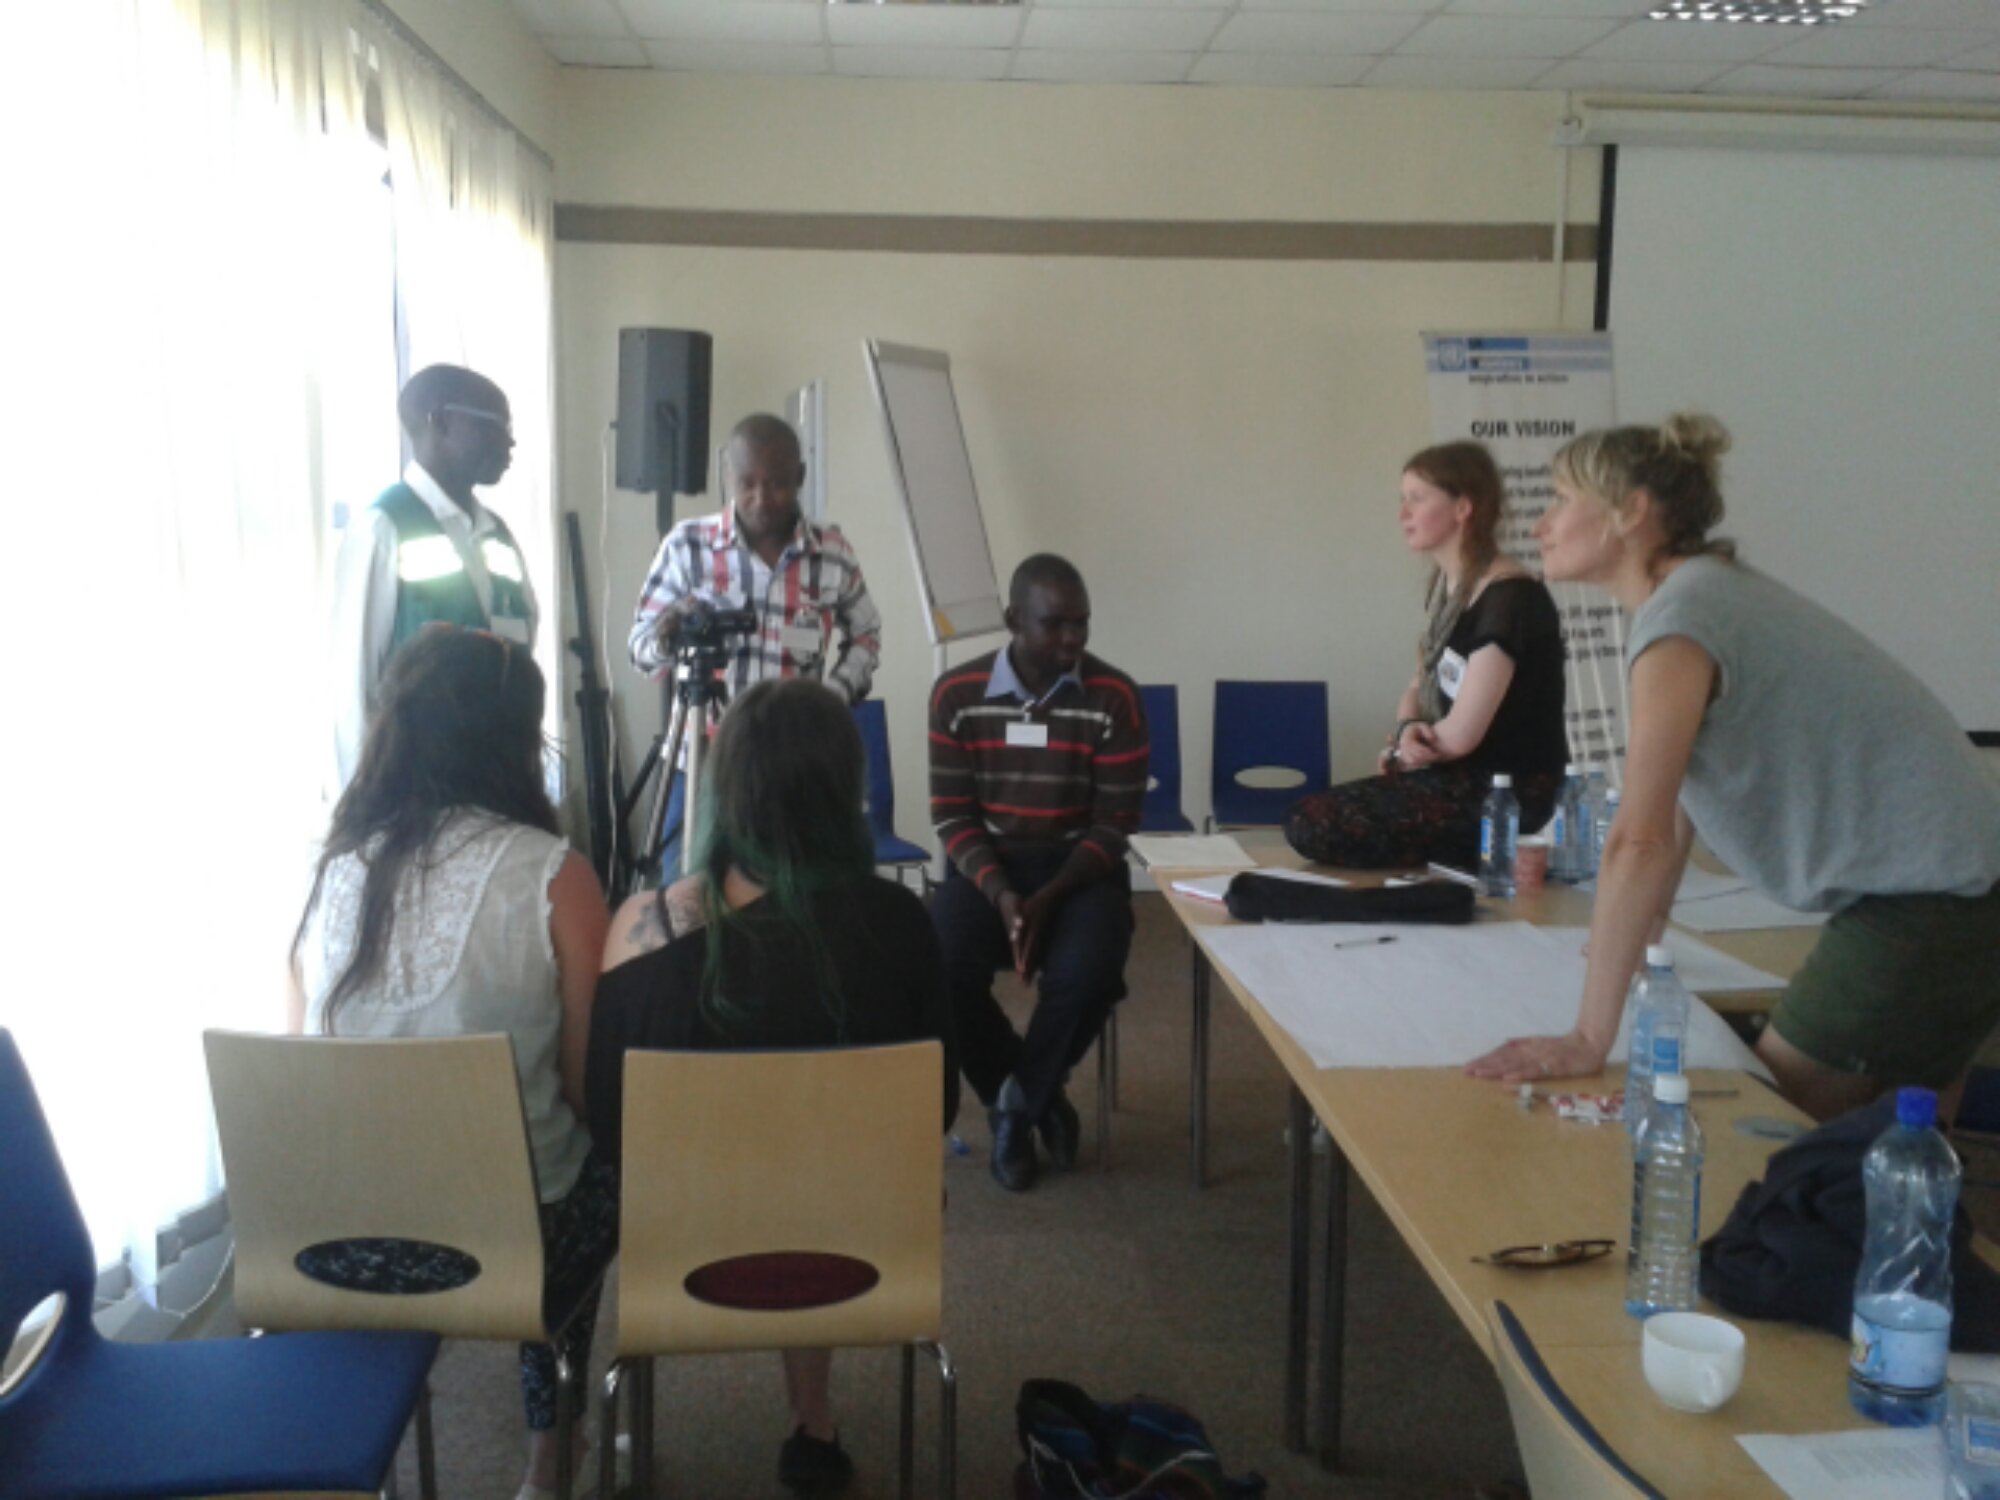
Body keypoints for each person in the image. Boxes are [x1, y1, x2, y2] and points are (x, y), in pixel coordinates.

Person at [1467, 414, 2000, 1120]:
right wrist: (1639, 940)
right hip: (1959, 895)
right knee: (1885, 1150)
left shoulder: (1683, 619)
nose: (1541, 524)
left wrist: (1589, 1037)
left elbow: (1640, 839)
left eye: (1561, 499)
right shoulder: (1705, 595)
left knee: (1765, 1135)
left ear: (1631, 512)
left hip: (1931, 907)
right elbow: (1675, 812)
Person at [587, 678, 957, 1499]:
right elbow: (939, 1107)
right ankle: (813, 1421)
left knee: (768, 1176)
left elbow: (608, 1125)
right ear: (847, 792)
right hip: (861, 1246)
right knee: (815, 1175)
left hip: (681, 1254)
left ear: (724, 787)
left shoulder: (641, 932)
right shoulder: (902, 927)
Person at [289, 625, 613, 1500]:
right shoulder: (557, 877)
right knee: (598, 1164)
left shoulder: (327, 874)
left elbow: (301, 1068)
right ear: (515, 744)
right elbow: (585, 1092)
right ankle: (550, 1458)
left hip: (339, 1245)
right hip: (510, 1253)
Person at [928, 554, 1148, 1192]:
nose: (1073, 639)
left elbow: (1116, 822)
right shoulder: (957, 695)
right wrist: (1001, 894)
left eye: (1082, 623)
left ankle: (1018, 1106)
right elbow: (952, 814)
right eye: (1055, 625)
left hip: (1080, 869)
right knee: (940, 967)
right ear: (1013, 620)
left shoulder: (1114, 696)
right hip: (987, 866)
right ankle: (1024, 1092)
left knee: (1091, 971)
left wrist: (1048, 896)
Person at [1285, 441, 1567, 870]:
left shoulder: (1509, 597)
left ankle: (1470, 868)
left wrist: (1406, 752)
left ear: (1462, 508)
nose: (1403, 514)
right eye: (1403, 499)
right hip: (1458, 774)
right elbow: (1417, 688)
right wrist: (1407, 728)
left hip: (1509, 790)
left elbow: (1462, 735)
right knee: (1310, 818)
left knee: (1314, 822)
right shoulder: (1446, 587)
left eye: (1417, 499)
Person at [627, 413, 882, 875]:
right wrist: (668, 632)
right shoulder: (687, 547)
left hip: (794, 763)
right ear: (726, 475)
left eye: (777, 483)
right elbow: (640, 651)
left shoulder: (832, 553)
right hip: (701, 761)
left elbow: (866, 633)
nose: (761, 498)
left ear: (800, 477)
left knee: (793, 893)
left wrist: (830, 698)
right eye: (747, 484)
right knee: (686, 893)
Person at [330, 364, 536, 787]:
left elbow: (522, 650)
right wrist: (361, 801)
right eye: (495, 425)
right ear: (441, 421)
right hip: (417, 789)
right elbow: (352, 683)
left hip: (496, 781)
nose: (509, 441)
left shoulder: (497, 534)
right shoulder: (383, 527)